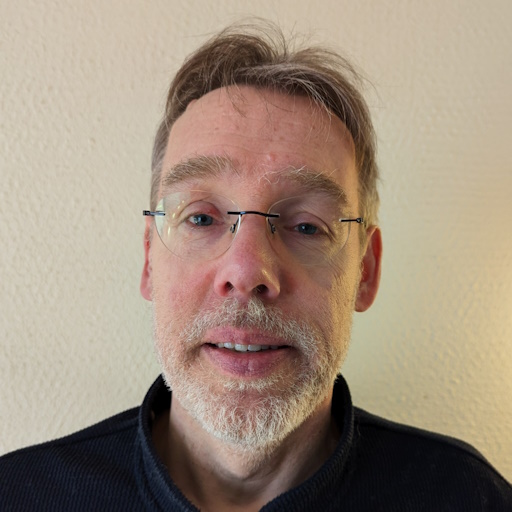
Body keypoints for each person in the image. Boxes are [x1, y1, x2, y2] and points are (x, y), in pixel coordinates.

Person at [1, 22, 511, 512]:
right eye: (201, 218)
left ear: (365, 271)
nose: (246, 271)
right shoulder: (19, 496)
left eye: (307, 226)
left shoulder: (470, 499)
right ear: (150, 261)